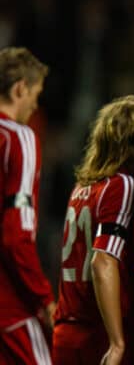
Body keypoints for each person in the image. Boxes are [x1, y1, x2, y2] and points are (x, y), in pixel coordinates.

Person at [52, 96, 134, 365]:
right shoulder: (120, 185)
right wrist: (117, 342)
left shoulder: (82, 188)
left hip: (67, 329)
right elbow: (103, 260)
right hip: (97, 332)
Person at [0, 47, 52, 364]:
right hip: (10, 306)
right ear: (20, 87)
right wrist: (44, 297)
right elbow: (15, 234)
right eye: (36, 93)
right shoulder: (19, 138)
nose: (35, 104)